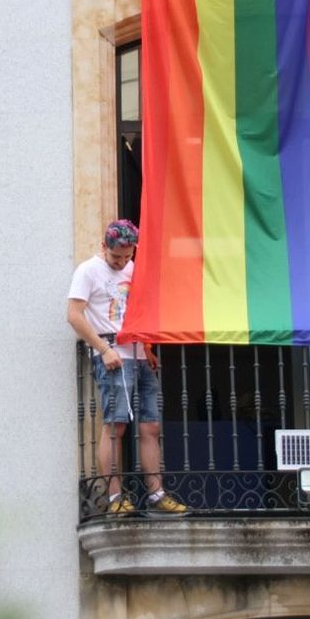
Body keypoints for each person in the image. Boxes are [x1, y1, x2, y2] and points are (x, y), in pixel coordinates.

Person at [67, 220, 188, 518]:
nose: (121, 263)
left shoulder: (133, 269)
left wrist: (147, 348)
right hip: (113, 355)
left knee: (151, 426)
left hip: (138, 354)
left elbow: (137, 311)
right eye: (116, 257)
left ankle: (157, 494)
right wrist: (104, 349)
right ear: (103, 247)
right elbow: (74, 315)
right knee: (115, 426)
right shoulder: (88, 271)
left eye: (127, 256)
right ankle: (115, 498)